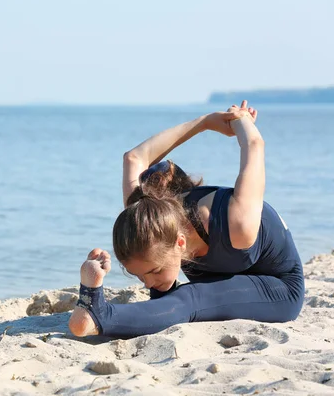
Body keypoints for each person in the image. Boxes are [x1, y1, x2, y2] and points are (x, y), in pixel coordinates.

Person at [68, 101, 305, 338]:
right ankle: (104, 305)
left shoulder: (236, 222)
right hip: (226, 279)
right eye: (140, 276)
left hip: (278, 287)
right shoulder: (145, 215)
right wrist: (204, 122)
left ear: (181, 242)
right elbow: (133, 158)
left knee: (189, 299)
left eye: (153, 271)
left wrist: (240, 119)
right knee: (169, 292)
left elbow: (254, 145)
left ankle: (97, 315)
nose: (147, 283)